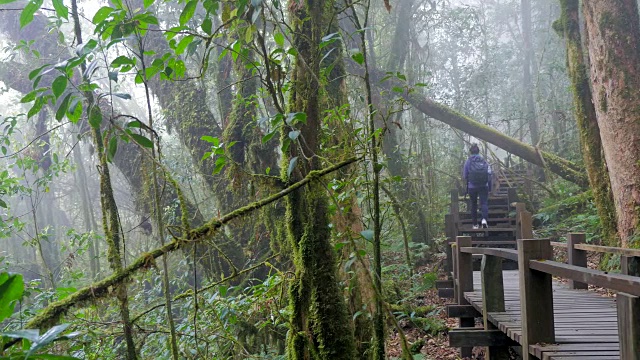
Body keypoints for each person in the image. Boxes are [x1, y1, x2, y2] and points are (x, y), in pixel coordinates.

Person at [463, 144, 492, 229]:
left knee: (473, 204)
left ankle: (475, 224)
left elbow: (465, 175)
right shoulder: (484, 160)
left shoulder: (468, 161)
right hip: (484, 185)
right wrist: (489, 186)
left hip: (472, 186)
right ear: (478, 151)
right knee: (484, 203)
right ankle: (484, 220)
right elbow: (489, 173)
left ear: (470, 152)